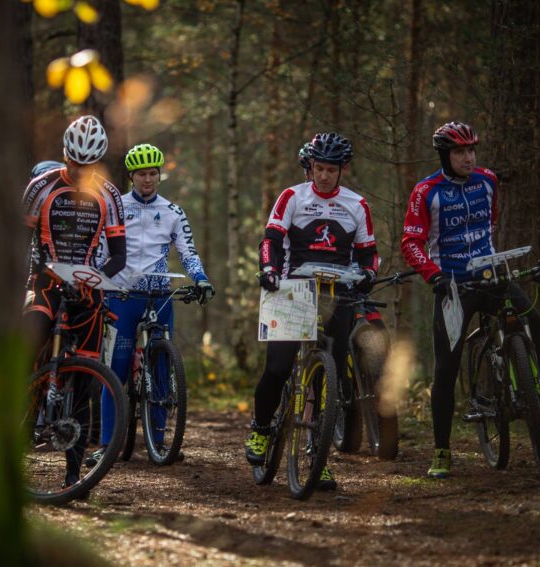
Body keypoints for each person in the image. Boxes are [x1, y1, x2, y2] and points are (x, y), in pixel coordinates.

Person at [401, 121, 540, 479]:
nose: (468, 157)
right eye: (460, 151)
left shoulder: (488, 180)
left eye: (472, 150)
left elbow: (491, 221)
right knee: (446, 368)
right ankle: (442, 451)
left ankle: (538, 393)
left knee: (534, 322)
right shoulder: (426, 191)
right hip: (453, 286)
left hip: (491, 276)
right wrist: (433, 274)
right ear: (444, 155)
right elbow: (411, 242)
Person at [244, 133, 379, 491]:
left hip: (338, 292)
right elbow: (270, 241)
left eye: (331, 170)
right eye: (319, 168)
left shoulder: (357, 204)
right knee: (277, 368)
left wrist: (369, 274)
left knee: (328, 380)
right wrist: (269, 269)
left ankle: (318, 455)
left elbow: (368, 253)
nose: (324, 176)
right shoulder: (292, 196)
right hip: (292, 290)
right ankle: (260, 429)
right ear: (310, 166)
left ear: (342, 169)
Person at [86, 143, 215, 466]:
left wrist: (200, 278)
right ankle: (107, 444)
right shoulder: (115, 208)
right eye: (142, 174)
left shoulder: (173, 212)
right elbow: (101, 251)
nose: (148, 179)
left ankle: (159, 441)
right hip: (122, 296)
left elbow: (188, 251)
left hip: (160, 296)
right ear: (131, 176)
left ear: (160, 175)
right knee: (115, 370)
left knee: (160, 368)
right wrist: (98, 283)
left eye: (153, 173)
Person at [22, 115, 126, 489]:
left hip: (86, 287)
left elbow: (119, 256)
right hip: (46, 282)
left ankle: (74, 473)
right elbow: (19, 240)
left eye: (89, 164)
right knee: (29, 339)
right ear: (66, 155)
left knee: (85, 381)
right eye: (75, 163)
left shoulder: (109, 194)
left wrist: (91, 279)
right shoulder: (41, 186)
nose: (81, 171)